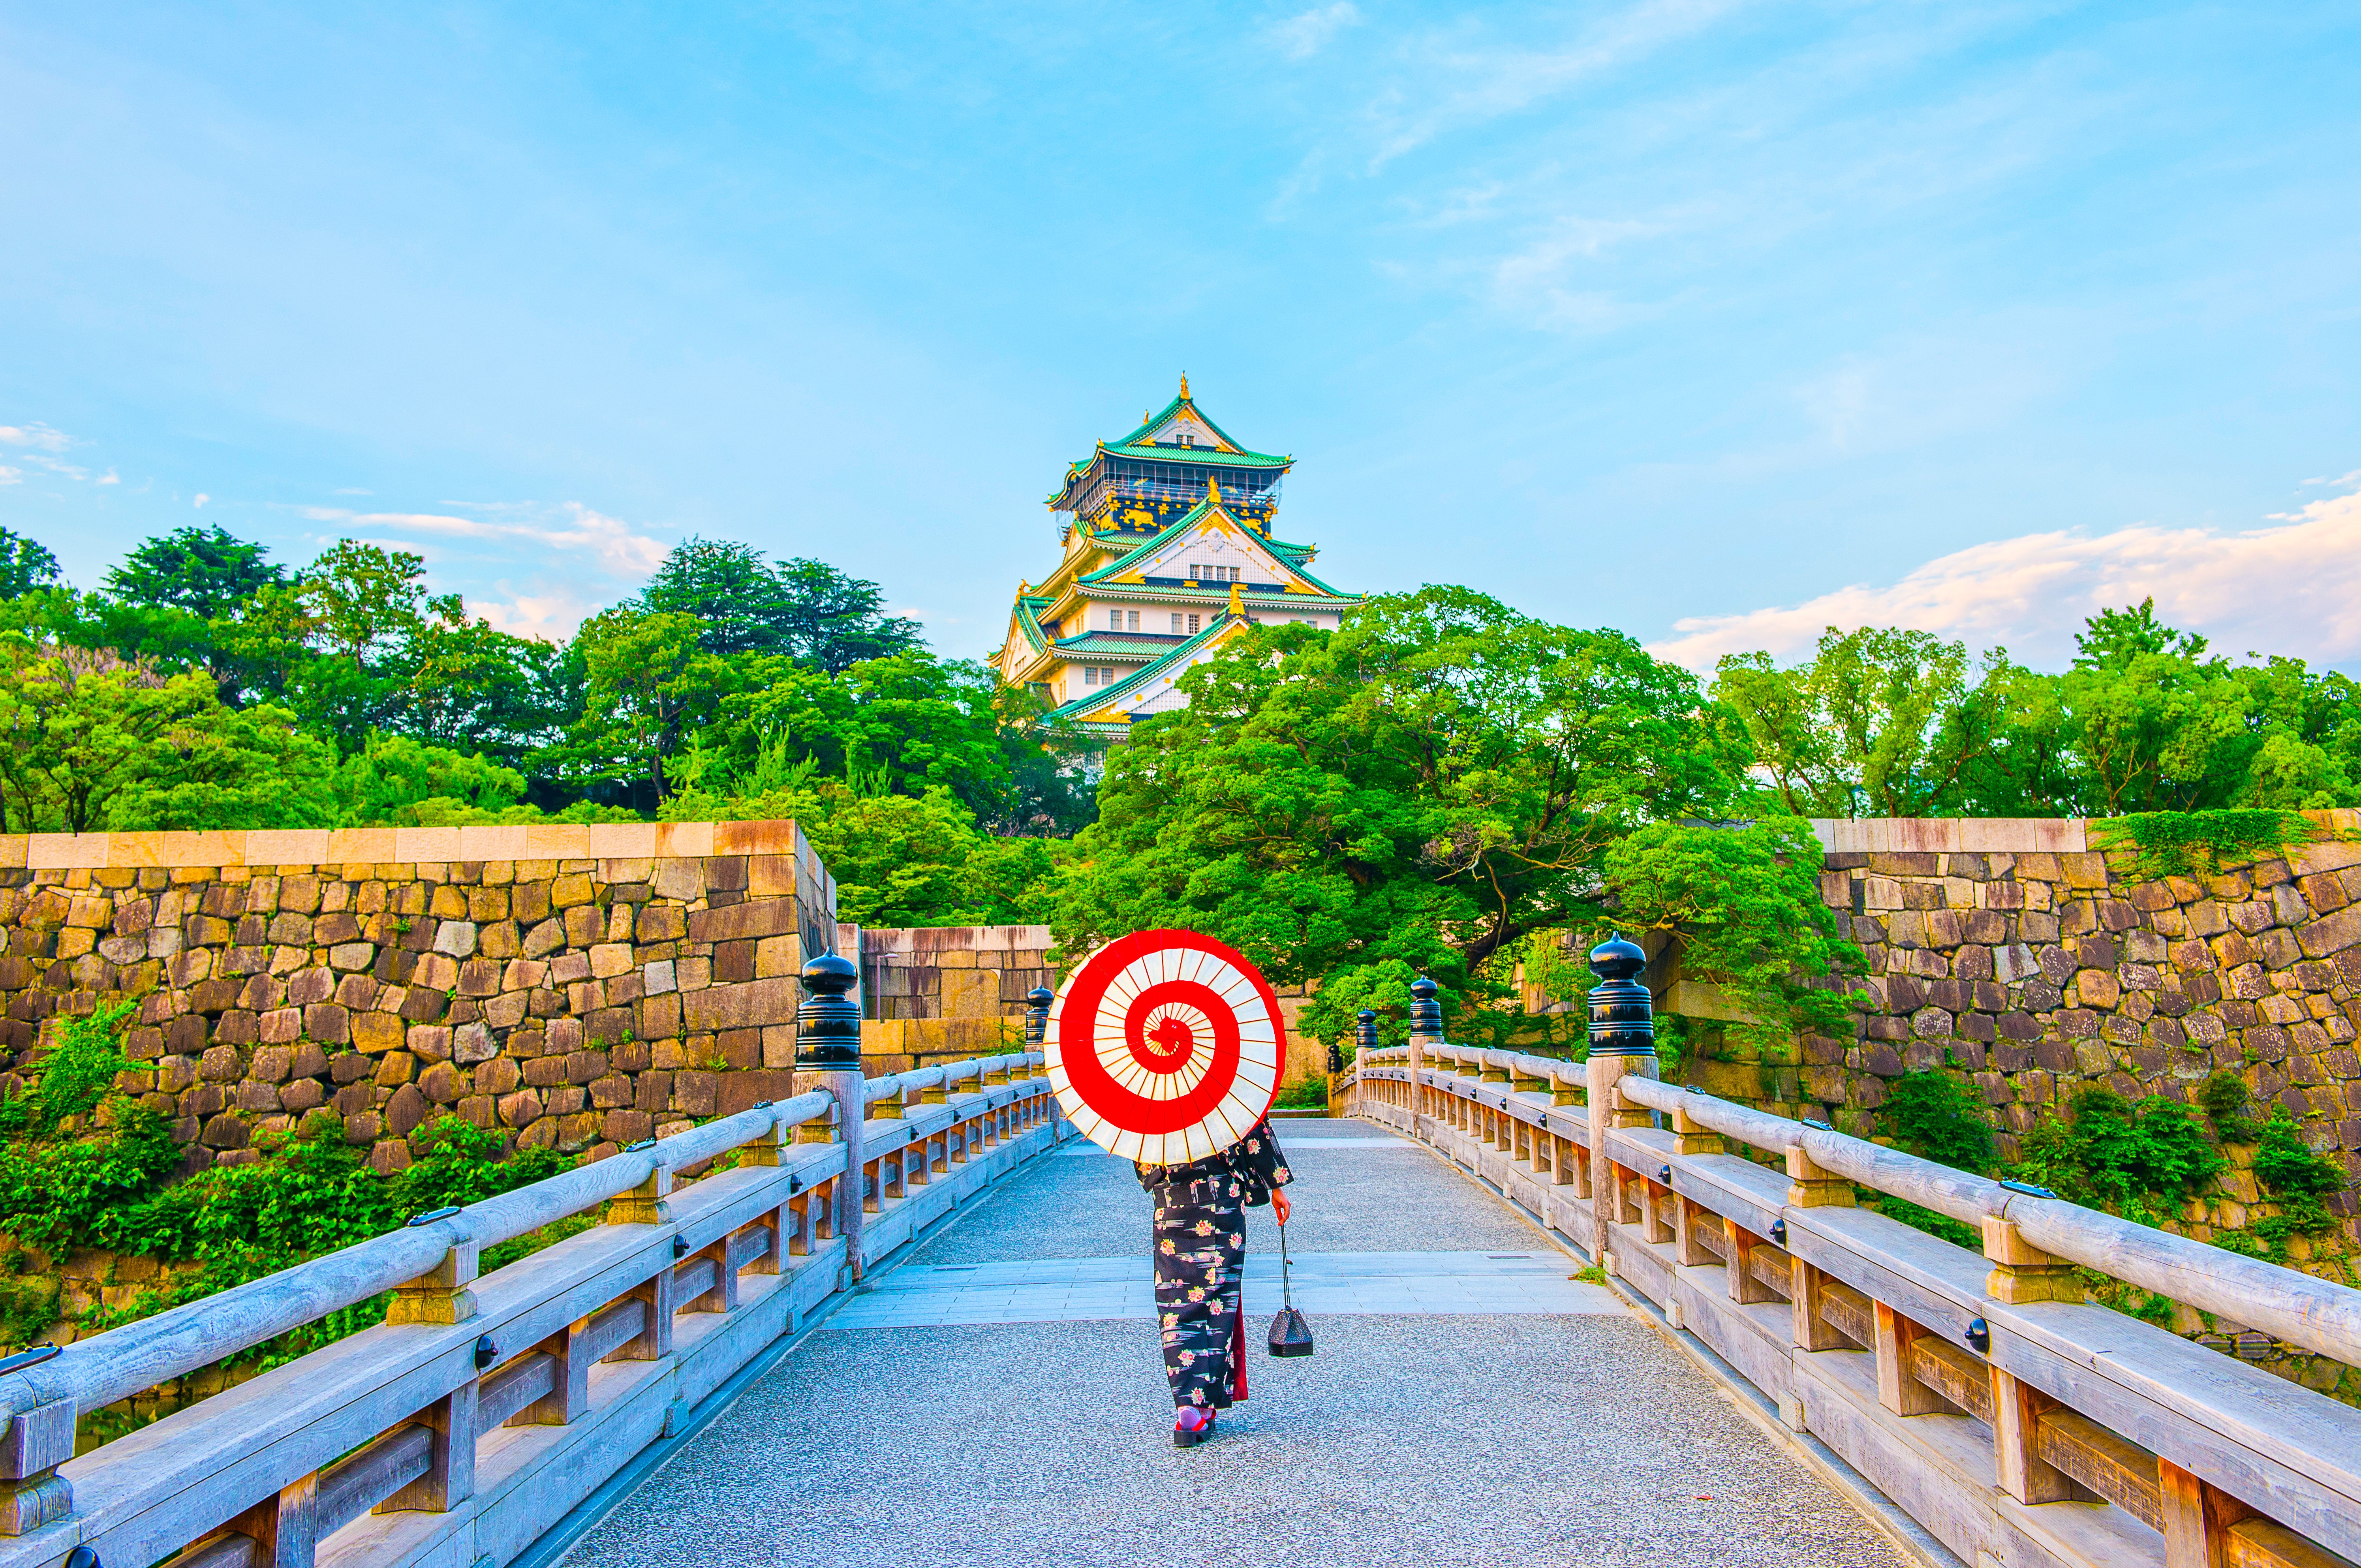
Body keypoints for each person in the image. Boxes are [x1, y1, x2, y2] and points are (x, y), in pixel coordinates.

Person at [1135, 1117, 1294, 1448]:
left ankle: (1187, 1405)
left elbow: (1140, 1153)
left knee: (1176, 1305)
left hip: (1172, 1204)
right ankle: (1204, 1399)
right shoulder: (1222, 1092)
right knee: (1217, 1301)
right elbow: (1252, 1128)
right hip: (1220, 1200)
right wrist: (1274, 1186)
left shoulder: (1151, 1101)